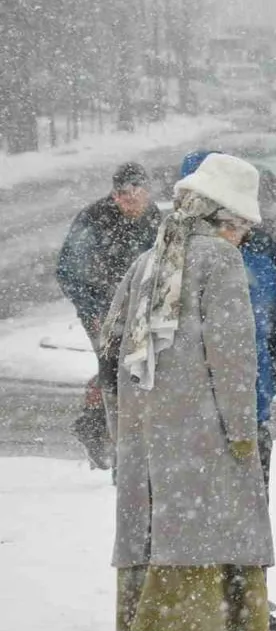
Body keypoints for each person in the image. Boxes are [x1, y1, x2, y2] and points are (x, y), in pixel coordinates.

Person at [99, 153, 272, 631]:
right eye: (242, 225)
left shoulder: (150, 260)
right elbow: (234, 358)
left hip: (149, 436)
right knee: (200, 538)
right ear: (225, 219)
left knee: (164, 535)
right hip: (203, 434)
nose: (243, 236)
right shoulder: (218, 261)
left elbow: (110, 351)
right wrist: (243, 431)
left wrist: (122, 426)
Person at [175, 151, 276, 631]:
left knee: (251, 524)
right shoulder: (175, 255)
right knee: (200, 528)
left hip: (248, 413)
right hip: (195, 421)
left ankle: (258, 627)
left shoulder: (261, 249)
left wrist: (270, 378)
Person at [56, 162, 161, 470]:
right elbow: (67, 270)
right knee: (115, 372)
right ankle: (102, 435)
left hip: (142, 313)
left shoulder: (155, 218)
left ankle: (135, 444)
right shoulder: (93, 219)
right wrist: (93, 312)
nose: (129, 200)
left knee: (143, 371)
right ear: (113, 195)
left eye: (135, 193)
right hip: (102, 313)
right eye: (121, 194)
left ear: (147, 192)